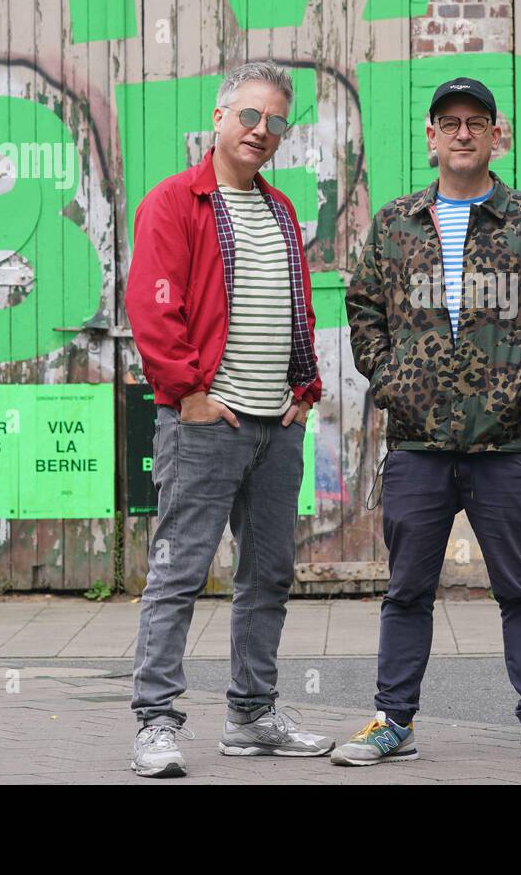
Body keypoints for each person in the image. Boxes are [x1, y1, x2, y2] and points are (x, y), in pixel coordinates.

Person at [336, 77, 521, 767]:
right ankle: (394, 721)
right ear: (430, 136)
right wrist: (391, 380)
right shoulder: (396, 223)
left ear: (495, 133)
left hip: (506, 442)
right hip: (418, 443)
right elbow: (363, 310)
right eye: (448, 122)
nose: (461, 133)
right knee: (407, 588)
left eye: (475, 121)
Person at [125, 60, 334, 777]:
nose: (262, 132)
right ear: (218, 118)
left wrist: (303, 393)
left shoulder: (279, 211)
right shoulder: (175, 203)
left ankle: (250, 715)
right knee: (179, 571)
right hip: (205, 422)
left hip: (276, 428)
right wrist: (186, 393)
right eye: (250, 116)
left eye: (277, 121)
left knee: (269, 573)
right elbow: (154, 309)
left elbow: (297, 310)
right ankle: (155, 722)